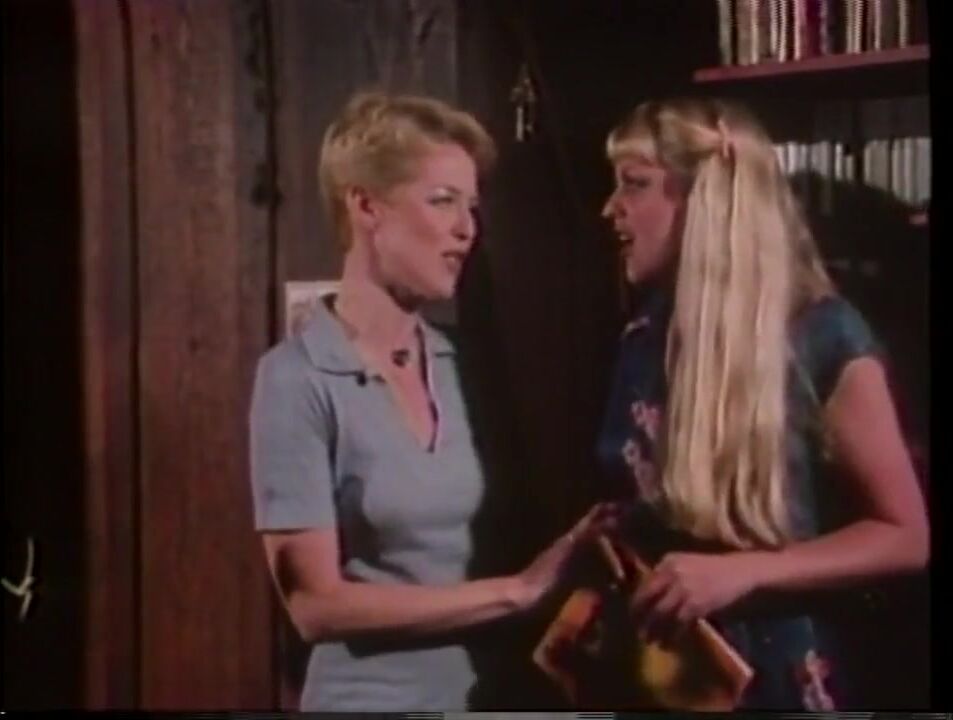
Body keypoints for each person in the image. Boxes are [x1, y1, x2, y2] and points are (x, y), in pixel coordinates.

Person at [248, 90, 610, 712]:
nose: (467, 230)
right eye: (443, 201)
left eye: (472, 206)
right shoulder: (296, 378)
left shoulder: (462, 364)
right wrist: (516, 592)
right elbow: (314, 606)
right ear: (366, 206)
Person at [593, 97, 928, 710]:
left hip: (785, 677)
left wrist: (743, 572)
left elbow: (904, 536)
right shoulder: (644, 337)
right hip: (666, 675)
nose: (610, 208)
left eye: (634, 184)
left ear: (706, 198)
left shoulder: (823, 336)